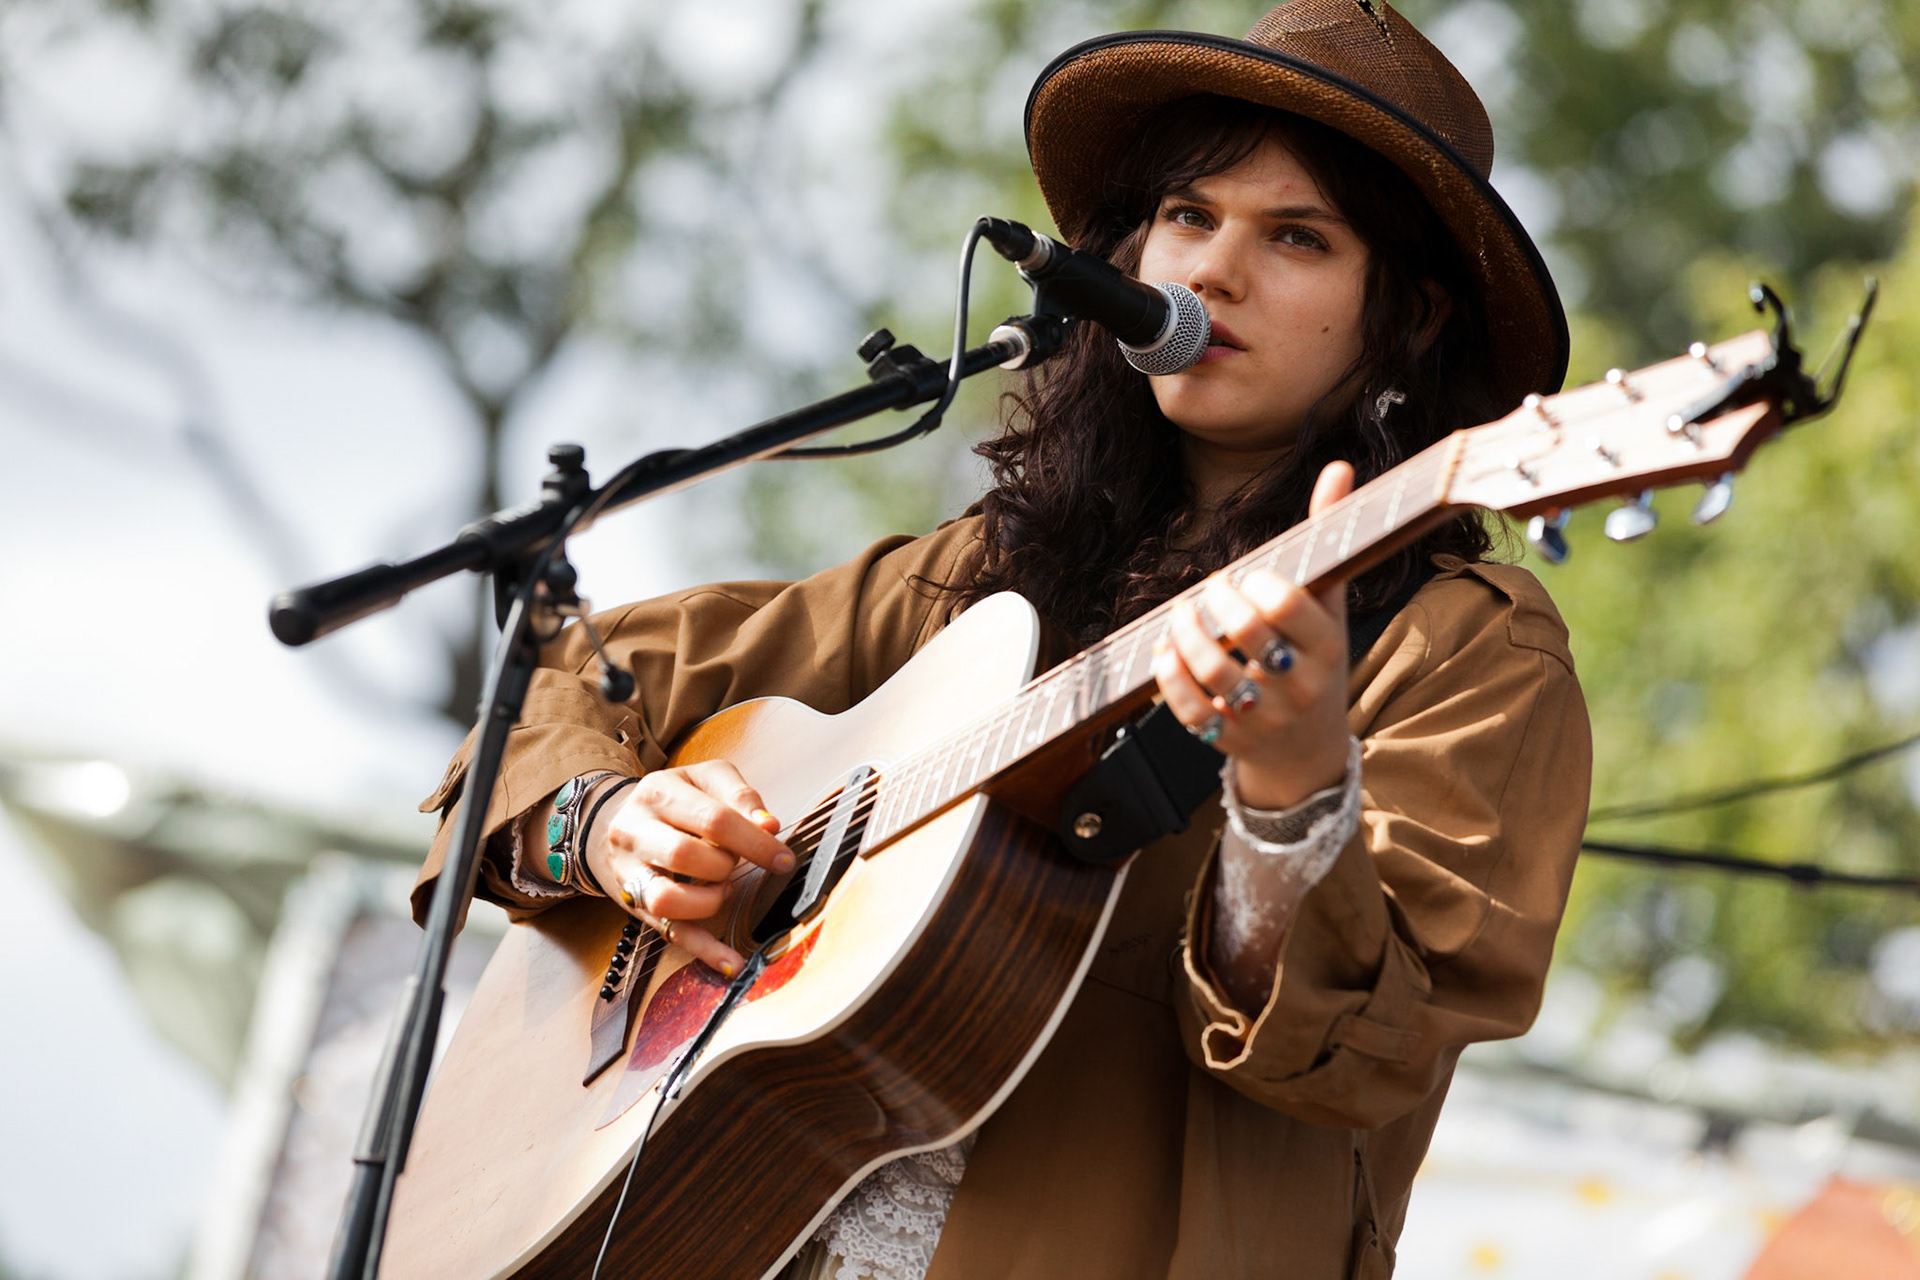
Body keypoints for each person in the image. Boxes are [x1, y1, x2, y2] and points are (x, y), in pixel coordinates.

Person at [410, 2, 1591, 1276]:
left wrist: (1294, 786)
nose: (1211, 272)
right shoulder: (976, 577)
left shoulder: (1464, 648)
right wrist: (609, 826)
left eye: (1297, 236)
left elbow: (1363, 1046)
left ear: (1408, 316)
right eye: (1189, 217)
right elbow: (567, 678)